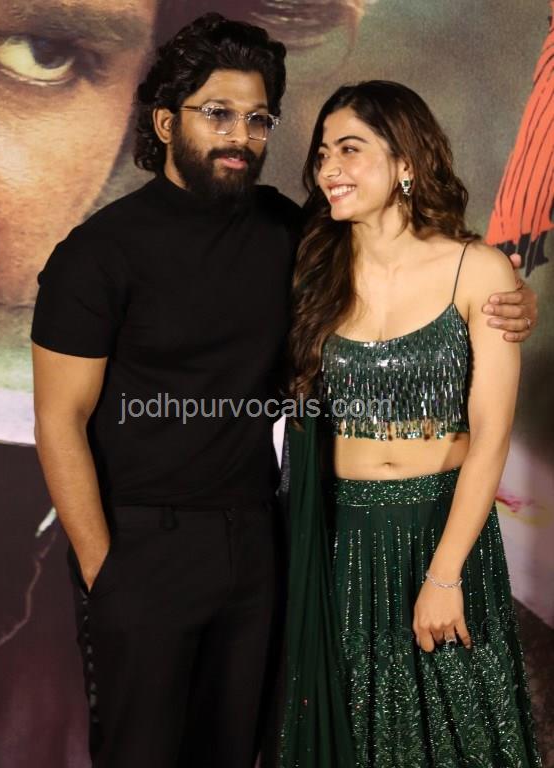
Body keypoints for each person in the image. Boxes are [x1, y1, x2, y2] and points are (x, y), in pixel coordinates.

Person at [31, 13, 297, 768]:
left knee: (234, 753)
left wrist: (494, 291)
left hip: (255, 541)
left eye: (257, 119)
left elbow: (393, 264)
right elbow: (59, 420)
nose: (240, 135)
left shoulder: (286, 229)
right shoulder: (98, 253)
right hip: (141, 544)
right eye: (218, 113)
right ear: (164, 121)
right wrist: (105, 571)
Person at [280, 81, 542, 767]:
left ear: (405, 162)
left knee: (456, 735)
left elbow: (490, 434)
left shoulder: (476, 269)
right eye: (322, 153)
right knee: (353, 730)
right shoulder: (310, 269)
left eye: (349, 149)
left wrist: (445, 575)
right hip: (342, 538)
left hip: (441, 527)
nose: (328, 168)